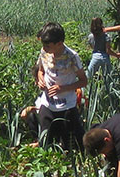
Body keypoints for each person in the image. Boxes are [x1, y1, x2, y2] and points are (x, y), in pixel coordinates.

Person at [35, 22, 88, 151]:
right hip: (47, 104)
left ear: (59, 43)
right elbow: (40, 70)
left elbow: (83, 81)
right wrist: (40, 80)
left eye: (48, 45)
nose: (44, 48)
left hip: (66, 106)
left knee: (69, 145)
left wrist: (62, 88)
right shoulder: (44, 52)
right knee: (45, 141)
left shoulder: (72, 57)